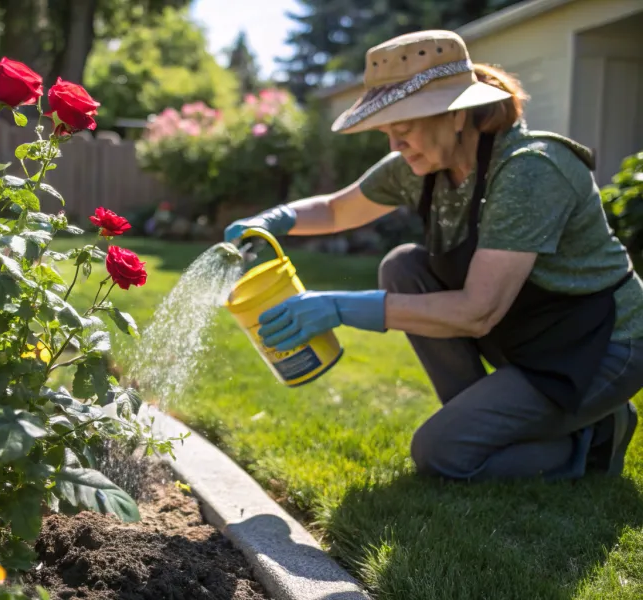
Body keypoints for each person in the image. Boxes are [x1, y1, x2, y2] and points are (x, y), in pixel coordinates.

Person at [224, 30, 643, 482]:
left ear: (457, 114)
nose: (395, 145)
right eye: (388, 131)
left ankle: (595, 439)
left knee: (442, 455)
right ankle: (493, 419)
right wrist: (272, 220)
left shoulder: (530, 169)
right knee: (403, 266)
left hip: (601, 344)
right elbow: (334, 209)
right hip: (527, 334)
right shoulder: (423, 165)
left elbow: (478, 312)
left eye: (403, 128)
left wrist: (340, 307)